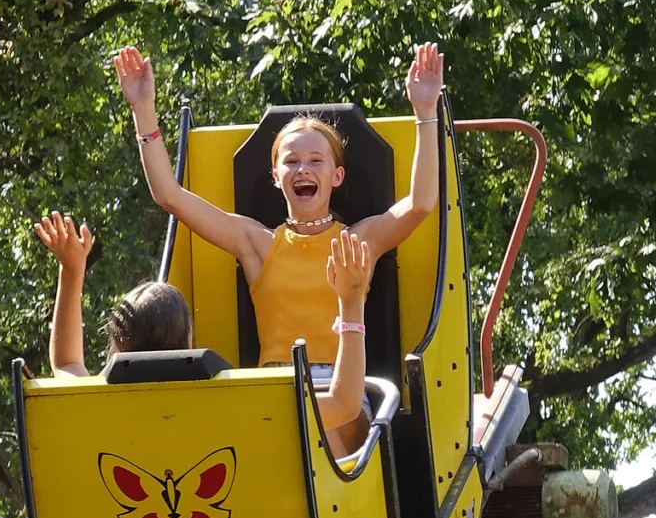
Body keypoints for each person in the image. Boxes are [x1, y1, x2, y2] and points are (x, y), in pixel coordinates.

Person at [110, 43, 444, 376]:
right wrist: (143, 109)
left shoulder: (357, 242)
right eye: (292, 162)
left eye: (316, 161)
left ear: (336, 175)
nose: (303, 170)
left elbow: (420, 203)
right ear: (276, 176)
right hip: (276, 384)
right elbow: (169, 195)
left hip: (342, 384)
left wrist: (426, 111)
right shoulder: (258, 244)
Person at [33, 212, 373, 450]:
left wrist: (71, 270)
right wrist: (351, 302)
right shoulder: (229, 404)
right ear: (188, 341)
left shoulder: (100, 405)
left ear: (118, 344)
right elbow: (343, 405)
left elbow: (65, 363)